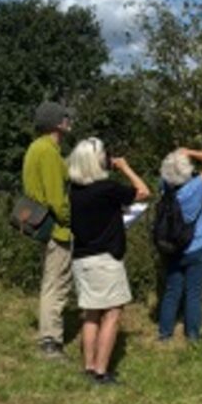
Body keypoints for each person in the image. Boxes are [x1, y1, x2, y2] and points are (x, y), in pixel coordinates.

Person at [67, 137, 150, 385]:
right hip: (105, 260)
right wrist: (124, 167)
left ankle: (89, 367)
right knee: (112, 313)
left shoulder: (74, 191)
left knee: (91, 313)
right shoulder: (107, 189)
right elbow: (144, 191)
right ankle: (102, 372)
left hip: (81, 258)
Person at [22, 101, 74, 358]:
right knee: (56, 283)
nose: (69, 119)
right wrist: (75, 220)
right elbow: (56, 199)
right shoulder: (49, 152)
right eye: (65, 117)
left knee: (51, 281)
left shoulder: (36, 148)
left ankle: (49, 336)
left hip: (42, 223)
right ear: (56, 123)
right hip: (58, 229)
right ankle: (50, 341)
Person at [157, 147, 202, 342]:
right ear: (188, 171)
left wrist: (174, 159)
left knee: (172, 290)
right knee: (193, 293)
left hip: (172, 247)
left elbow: (168, 172)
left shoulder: (165, 187)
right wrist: (190, 152)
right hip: (197, 246)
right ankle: (193, 335)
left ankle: (164, 334)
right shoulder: (196, 187)